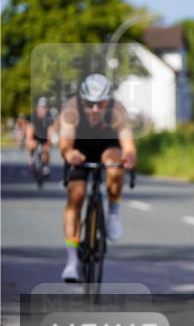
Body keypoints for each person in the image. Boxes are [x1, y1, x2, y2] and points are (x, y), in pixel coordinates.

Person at [57, 73, 136, 283]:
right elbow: (65, 143)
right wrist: (69, 154)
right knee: (76, 195)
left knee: (114, 167)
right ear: (82, 100)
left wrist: (129, 155)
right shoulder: (71, 109)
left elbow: (127, 142)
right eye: (89, 104)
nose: (94, 109)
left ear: (107, 100)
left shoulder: (117, 109)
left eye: (100, 104)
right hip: (79, 150)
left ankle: (113, 211)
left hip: (106, 147)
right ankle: (72, 261)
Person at [25, 97, 55, 177]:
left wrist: (49, 142)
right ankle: (31, 157)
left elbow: (50, 130)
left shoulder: (49, 117)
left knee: (46, 150)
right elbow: (30, 129)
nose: (42, 110)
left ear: (47, 109)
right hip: (35, 136)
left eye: (44, 108)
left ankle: (45, 166)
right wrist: (29, 140)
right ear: (37, 108)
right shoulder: (33, 116)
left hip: (44, 137)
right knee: (31, 143)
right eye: (40, 107)